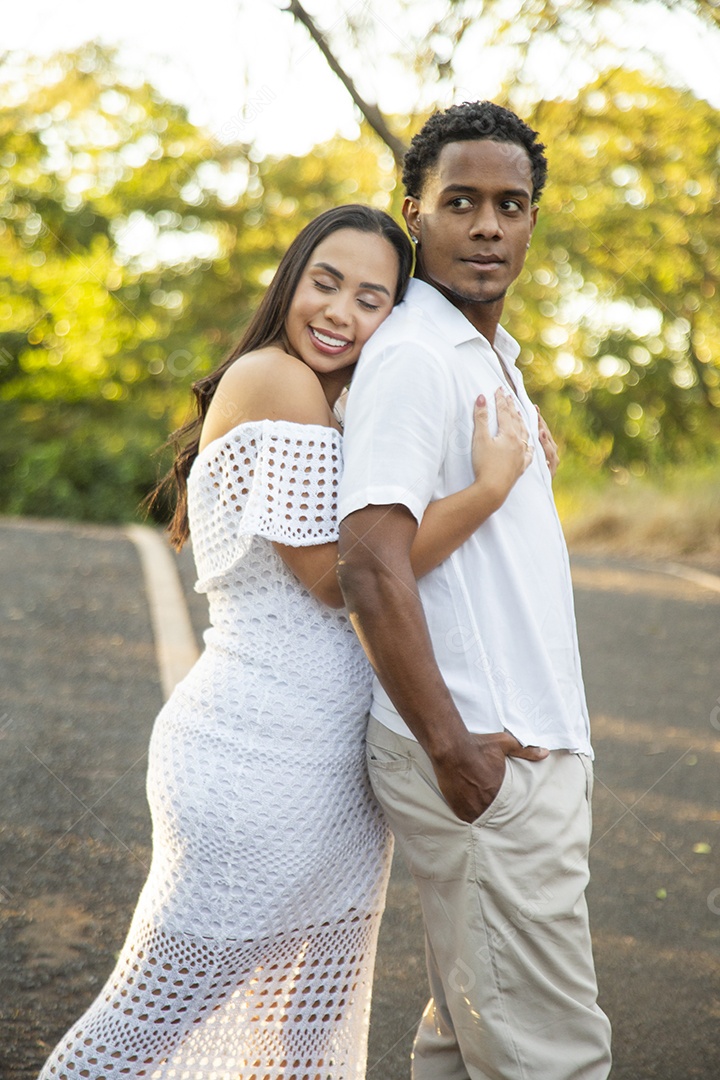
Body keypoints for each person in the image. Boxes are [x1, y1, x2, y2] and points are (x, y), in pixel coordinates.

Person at [38, 204, 535, 1080]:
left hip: (323, 773)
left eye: (372, 297)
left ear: (397, 315)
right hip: (255, 759)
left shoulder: (337, 399)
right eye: (326, 283)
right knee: (146, 1023)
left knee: (302, 1039)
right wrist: (488, 488)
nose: (341, 311)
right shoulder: (277, 378)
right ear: (291, 284)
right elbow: (338, 577)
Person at [337, 104, 613, 1080]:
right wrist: (457, 755)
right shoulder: (415, 356)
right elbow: (369, 558)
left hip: (522, 750)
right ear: (414, 212)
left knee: (467, 1044)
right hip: (486, 756)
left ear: (534, 219)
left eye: (511, 204)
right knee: (551, 1059)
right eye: (462, 202)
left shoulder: (487, 354)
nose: (489, 225)